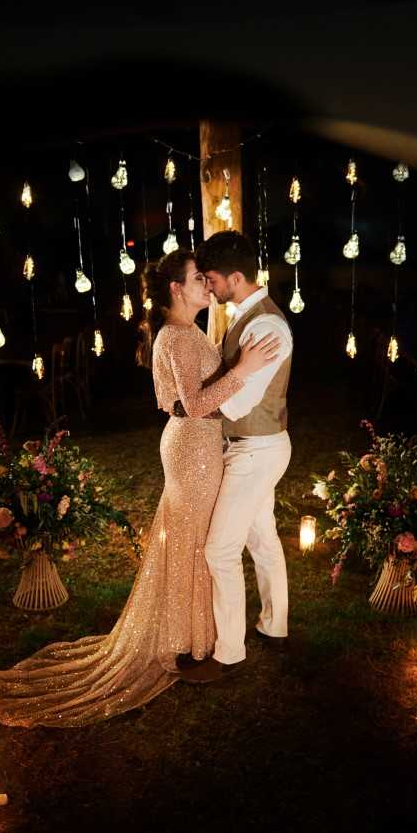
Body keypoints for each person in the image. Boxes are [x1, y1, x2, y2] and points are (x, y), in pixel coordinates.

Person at [0, 249, 279, 727]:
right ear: (176, 289)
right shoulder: (175, 337)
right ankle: (184, 638)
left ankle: (194, 634)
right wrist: (242, 370)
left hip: (200, 446)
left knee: (195, 540)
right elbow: (198, 403)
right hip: (192, 450)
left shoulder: (190, 332)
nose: (208, 286)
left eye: (209, 278)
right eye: (198, 279)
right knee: (193, 540)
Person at [179, 230, 293, 685]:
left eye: (211, 280)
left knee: (220, 549)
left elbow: (235, 406)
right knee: (262, 539)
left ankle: (228, 654)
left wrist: (225, 382)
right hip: (257, 446)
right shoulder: (246, 317)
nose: (208, 288)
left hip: (256, 450)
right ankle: (274, 623)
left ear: (236, 277)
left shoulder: (265, 327)